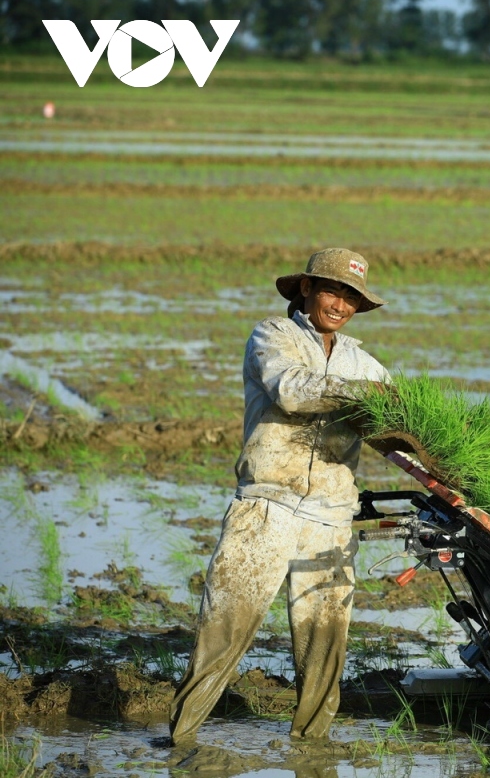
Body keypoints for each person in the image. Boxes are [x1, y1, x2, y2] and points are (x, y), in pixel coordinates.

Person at [169, 248, 390, 744]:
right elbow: (290, 390)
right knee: (222, 633)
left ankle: (311, 751)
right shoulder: (273, 336)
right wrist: (361, 396)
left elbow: (397, 422)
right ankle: (181, 744)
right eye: (333, 290)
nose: (340, 304)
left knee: (325, 646)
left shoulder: (365, 363)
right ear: (307, 289)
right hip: (266, 507)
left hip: (331, 520)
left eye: (351, 297)